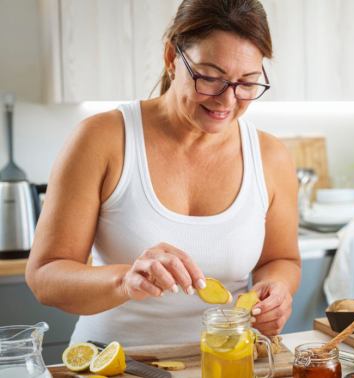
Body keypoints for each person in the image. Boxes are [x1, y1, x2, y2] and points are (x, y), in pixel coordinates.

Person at [25, 0, 301, 346]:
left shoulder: (270, 156)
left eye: (247, 83)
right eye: (210, 77)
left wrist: (275, 289)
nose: (227, 101)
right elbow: (45, 277)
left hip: (224, 360)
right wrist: (125, 280)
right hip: (113, 363)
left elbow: (282, 259)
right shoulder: (101, 139)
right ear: (172, 58)